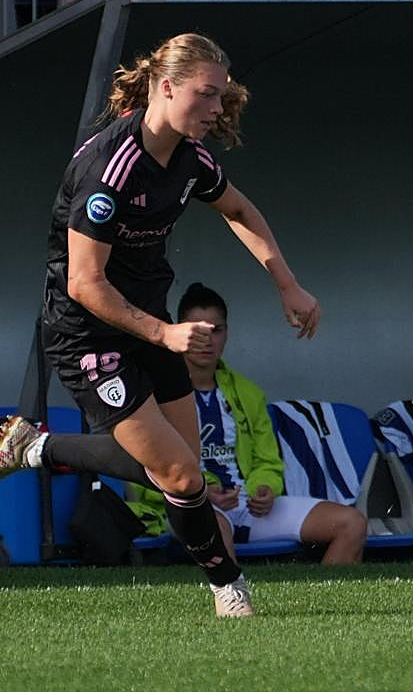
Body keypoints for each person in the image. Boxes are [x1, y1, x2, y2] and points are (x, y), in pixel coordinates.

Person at [0, 32, 321, 618]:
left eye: (221, 97)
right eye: (206, 95)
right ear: (166, 87)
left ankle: (33, 445)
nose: (218, 109)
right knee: (177, 471)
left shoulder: (192, 159)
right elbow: (83, 285)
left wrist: (287, 283)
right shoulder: (110, 166)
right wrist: (165, 334)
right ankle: (230, 590)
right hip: (87, 335)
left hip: (149, 324)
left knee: (183, 471)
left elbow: (240, 210)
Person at [124, 283, 365, 564]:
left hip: (249, 505)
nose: (207, 339)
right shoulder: (156, 393)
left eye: (217, 330)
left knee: (351, 523)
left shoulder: (249, 393)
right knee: (215, 534)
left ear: (227, 334)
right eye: (197, 329)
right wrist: (202, 492)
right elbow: (145, 464)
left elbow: (268, 461)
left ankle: (325, 607)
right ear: (180, 331)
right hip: (192, 506)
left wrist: (264, 489)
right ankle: (234, 606)